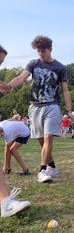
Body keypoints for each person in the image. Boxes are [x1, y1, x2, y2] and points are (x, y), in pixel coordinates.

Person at [5, 36, 73, 183]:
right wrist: (9, 86)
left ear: (50, 49)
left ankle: (42, 170)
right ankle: (52, 166)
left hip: (52, 105)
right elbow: (22, 77)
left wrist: (69, 111)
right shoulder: (33, 63)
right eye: (38, 51)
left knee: (48, 138)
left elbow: (65, 90)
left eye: (43, 51)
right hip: (35, 107)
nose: (40, 54)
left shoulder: (60, 68)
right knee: (42, 142)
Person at [0, 45, 31, 217]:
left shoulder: (6, 128)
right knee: (9, 150)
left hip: (24, 132)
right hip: (20, 130)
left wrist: (7, 87)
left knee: (10, 150)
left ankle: (5, 202)